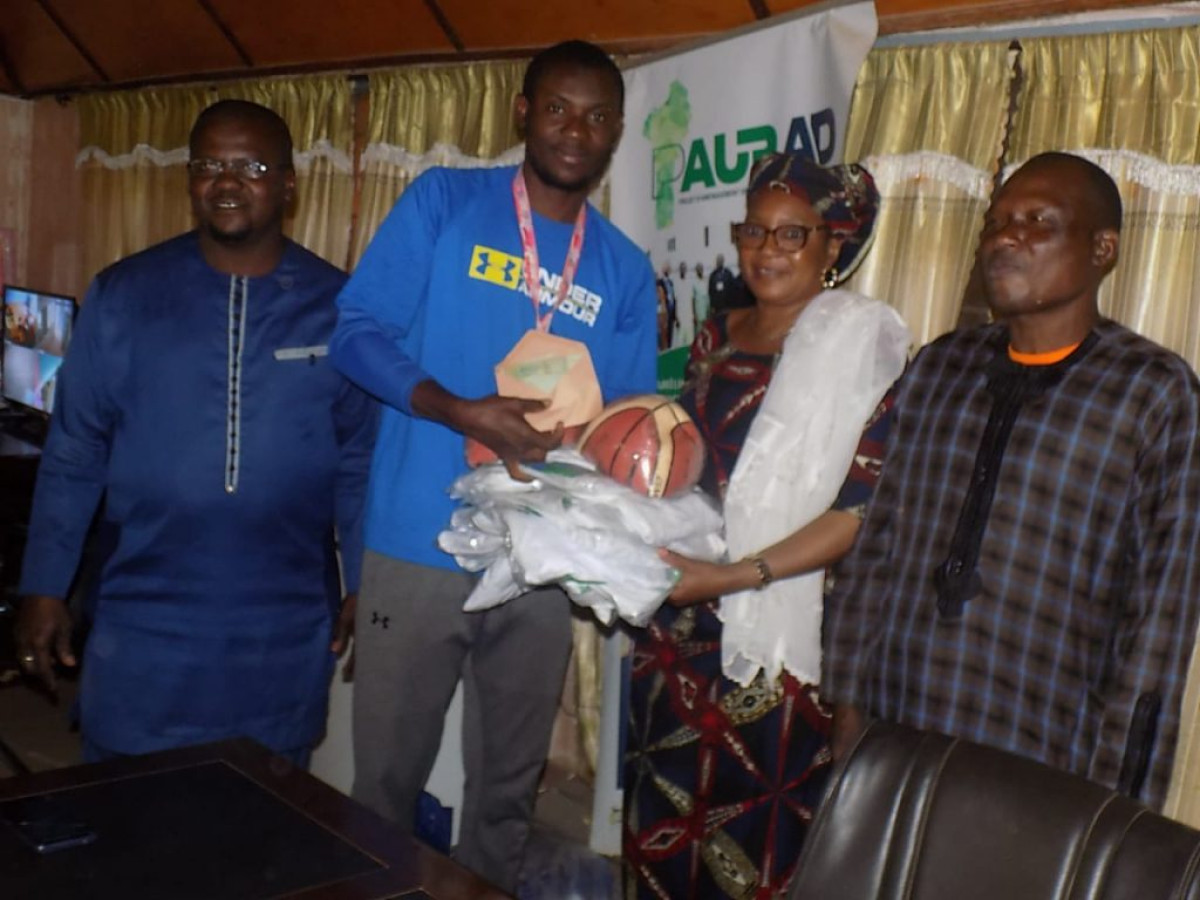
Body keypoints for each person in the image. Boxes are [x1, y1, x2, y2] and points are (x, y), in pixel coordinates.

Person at [328, 40, 657, 892]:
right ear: (522, 112)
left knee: (508, 795)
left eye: (594, 116)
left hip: (540, 564)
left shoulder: (621, 267)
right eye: (557, 108)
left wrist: (603, 452)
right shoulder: (444, 202)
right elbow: (355, 331)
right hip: (414, 543)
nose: (574, 130)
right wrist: (460, 410)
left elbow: (624, 418)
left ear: (616, 130)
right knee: (386, 784)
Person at [823, 152, 1200, 812]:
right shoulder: (940, 366)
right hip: (897, 718)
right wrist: (848, 702)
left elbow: (1161, 614)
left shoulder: (1154, 393)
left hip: (1045, 751)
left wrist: (1120, 802)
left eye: (1037, 221)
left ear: (1102, 248)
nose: (1004, 236)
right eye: (996, 220)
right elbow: (874, 546)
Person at [14, 100, 376, 767]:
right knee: (126, 824)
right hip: (144, 615)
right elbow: (74, 451)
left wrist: (363, 581)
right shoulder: (124, 294)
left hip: (285, 617)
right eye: (209, 164)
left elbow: (358, 459)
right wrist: (43, 585)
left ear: (290, 184)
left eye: (251, 166)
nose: (227, 182)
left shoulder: (341, 309)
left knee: (264, 817)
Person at [624, 153, 910, 898]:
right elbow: (683, 467)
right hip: (678, 631)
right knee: (659, 831)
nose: (767, 250)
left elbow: (862, 508)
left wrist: (734, 576)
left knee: (755, 847)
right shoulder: (716, 336)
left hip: (779, 646)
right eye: (755, 230)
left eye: (793, 234)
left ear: (834, 245)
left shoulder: (864, 344)